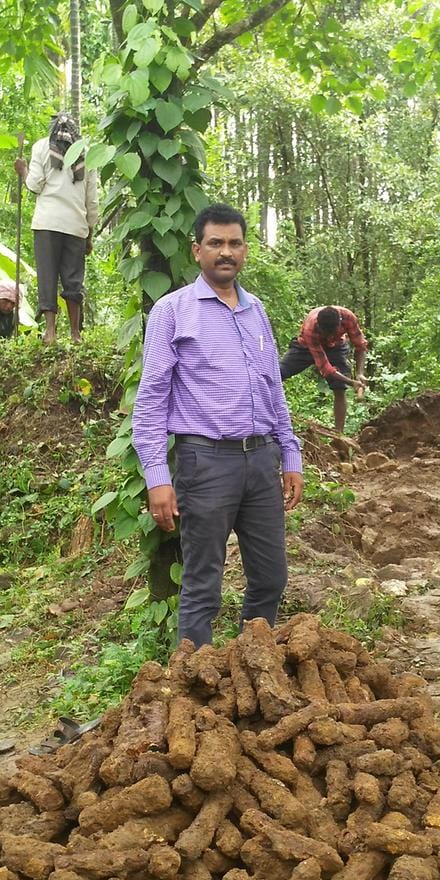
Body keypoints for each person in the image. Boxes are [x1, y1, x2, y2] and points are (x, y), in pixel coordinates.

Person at [133, 203, 305, 647]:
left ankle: (250, 665)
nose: (225, 252)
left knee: (271, 577)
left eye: (234, 243)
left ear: (245, 250)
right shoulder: (173, 312)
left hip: (260, 460)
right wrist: (157, 478)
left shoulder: (256, 311)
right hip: (205, 462)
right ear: (197, 250)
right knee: (202, 583)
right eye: (216, 243)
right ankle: (193, 686)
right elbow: (150, 400)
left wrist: (290, 453)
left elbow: (273, 387)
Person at [14, 113, 99, 344]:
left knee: (47, 276)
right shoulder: (87, 153)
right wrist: (89, 233)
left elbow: (34, 184)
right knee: (73, 279)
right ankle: (75, 334)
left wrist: (22, 171)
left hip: (47, 224)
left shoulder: (42, 147)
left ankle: (50, 332)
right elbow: (92, 201)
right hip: (76, 225)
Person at [279, 305, 368, 436]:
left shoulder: (348, 317)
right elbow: (325, 368)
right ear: (320, 327)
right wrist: (351, 382)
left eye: (331, 333)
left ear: (339, 325)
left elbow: (360, 346)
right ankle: (274, 422)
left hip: (336, 347)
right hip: (305, 347)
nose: (327, 336)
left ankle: (339, 436)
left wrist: (360, 373)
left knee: (339, 388)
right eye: (324, 333)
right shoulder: (311, 328)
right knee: (277, 374)